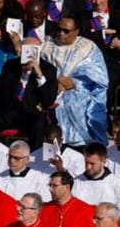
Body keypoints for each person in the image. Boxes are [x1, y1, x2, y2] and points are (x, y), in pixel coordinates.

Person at [41, 17, 109, 146]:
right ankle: (58, 143)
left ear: (76, 31)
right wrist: (55, 82)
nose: (61, 33)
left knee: (77, 105)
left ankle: (84, 144)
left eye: (66, 31)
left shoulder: (87, 47)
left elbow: (100, 76)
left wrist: (75, 82)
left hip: (82, 89)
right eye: (59, 29)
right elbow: (38, 71)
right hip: (52, 89)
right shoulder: (47, 45)